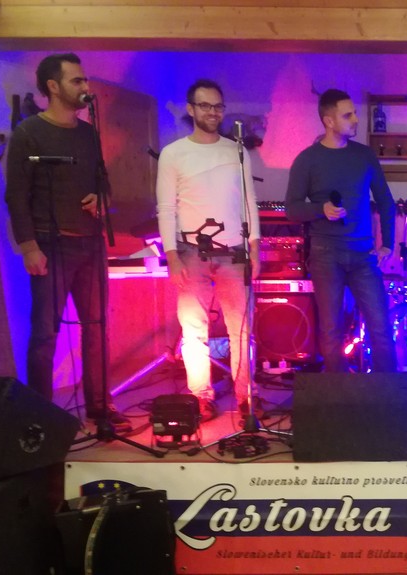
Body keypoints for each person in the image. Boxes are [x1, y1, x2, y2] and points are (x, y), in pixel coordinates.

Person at [4, 53, 131, 432]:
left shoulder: (88, 133)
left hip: (91, 244)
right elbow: (16, 195)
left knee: (96, 327)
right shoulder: (29, 133)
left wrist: (102, 198)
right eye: (77, 81)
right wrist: (29, 246)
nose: (85, 87)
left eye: (85, 79)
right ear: (53, 87)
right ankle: (40, 417)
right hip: (50, 244)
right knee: (45, 333)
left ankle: (99, 408)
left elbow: (102, 182)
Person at [156, 79, 262, 423]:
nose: (213, 112)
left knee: (241, 328)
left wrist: (255, 246)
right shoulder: (173, 154)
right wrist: (172, 256)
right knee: (194, 330)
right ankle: (200, 396)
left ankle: (246, 396)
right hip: (191, 251)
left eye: (218, 106)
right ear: (191, 109)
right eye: (205, 106)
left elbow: (248, 201)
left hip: (234, 251)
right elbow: (165, 208)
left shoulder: (237, 151)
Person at [285, 89, 397, 373]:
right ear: (329, 121)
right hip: (326, 254)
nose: (356, 119)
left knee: (381, 326)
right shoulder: (307, 159)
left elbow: (386, 201)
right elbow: (292, 209)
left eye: (354, 113)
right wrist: (320, 209)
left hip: (363, 254)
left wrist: (388, 244)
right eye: (348, 115)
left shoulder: (364, 155)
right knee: (330, 329)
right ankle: (339, 392)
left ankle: (387, 393)